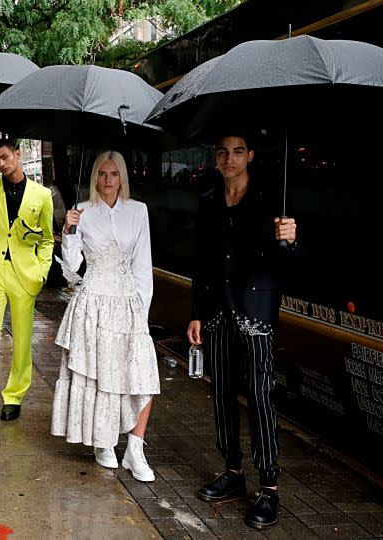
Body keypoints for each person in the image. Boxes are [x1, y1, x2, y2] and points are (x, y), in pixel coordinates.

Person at [187, 133, 298, 530]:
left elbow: (294, 263)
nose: (229, 158)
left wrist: (292, 240)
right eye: (222, 152)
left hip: (256, 315)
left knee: (260, 397)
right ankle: (232, 472)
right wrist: (197, 312)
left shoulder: (272, 201)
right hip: (217, 314)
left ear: (250, 155)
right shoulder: (209, 202)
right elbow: (201, 262)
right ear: (215, 158)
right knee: (221, 396)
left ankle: (269, 487)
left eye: (237, 151)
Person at [50, 150, 160, 482]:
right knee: (99, 377)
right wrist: (68, 231)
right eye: (102, 174)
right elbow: (71, 269)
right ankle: (103, 442)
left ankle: (135, 449)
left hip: (128, 303)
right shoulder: (82, 212)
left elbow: (143, 265)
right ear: (95, 177)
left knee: (141, 375)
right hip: (92, 303)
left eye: (113, 174)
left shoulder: (138, 211)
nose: (108, 181)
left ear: (122, 178)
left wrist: (143, 311)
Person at [0, 139, 54, 424]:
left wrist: (41, 271)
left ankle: (14, 396)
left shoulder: (41, 195)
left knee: (23, 338)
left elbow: (48, 240)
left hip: (24, 274)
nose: (1, 164)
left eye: (5, 157)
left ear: (18, 154)